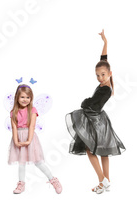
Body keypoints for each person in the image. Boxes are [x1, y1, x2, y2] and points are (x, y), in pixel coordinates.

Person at [65, 29, 125, 194]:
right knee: (103, 152)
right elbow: (103, 61)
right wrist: (105, 42)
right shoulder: (105, 78)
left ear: (109, 74)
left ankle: (102, 179)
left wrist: (84, 101)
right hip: (99, 120)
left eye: (103, 75)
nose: (100, 77)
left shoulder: (106, 90)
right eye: (97, 75)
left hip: (95, 119)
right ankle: (106, 181)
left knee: (90, 150)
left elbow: (93, 105)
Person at [8, 84, 62, 194]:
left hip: (30, 137)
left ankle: (53, 179)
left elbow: (32, 126)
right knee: (21, 162)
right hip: (18, 137)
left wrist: (28, 140)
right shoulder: (13, 111)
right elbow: (14, 127)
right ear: (17, 97)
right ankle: (21, 184)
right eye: (22, 97)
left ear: (31, 98)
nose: (25, 100)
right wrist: (16, 141)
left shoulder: (32, 110)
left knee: (38, 162)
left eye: (28, 97)